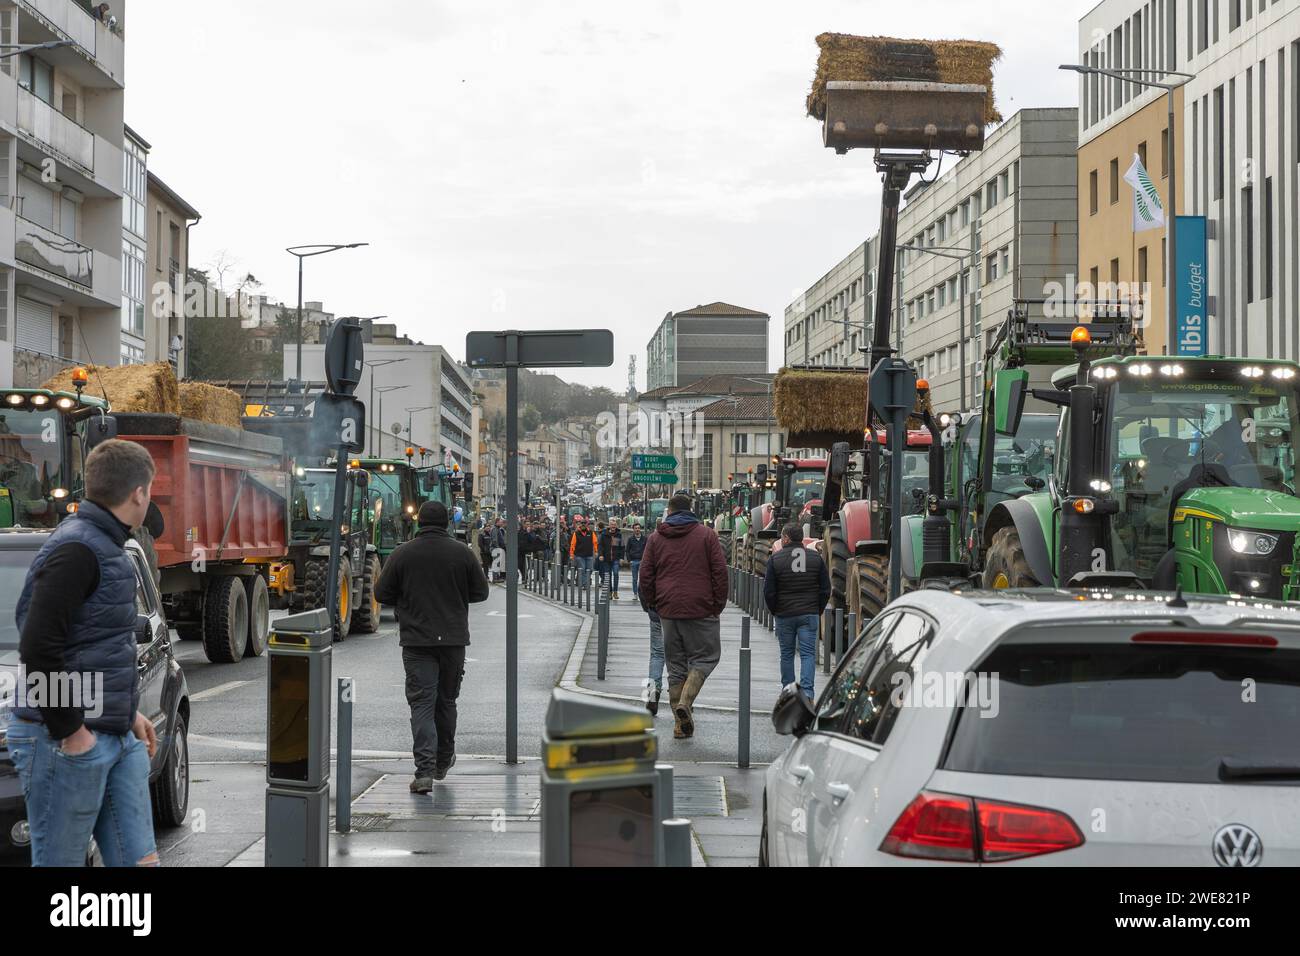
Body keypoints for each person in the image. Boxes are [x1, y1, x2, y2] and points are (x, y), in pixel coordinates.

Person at [6, 439, 160, 866]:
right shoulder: (77, 549)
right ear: (138, 494)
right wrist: (71, 730)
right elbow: (38, 646)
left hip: (112, 733)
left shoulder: (107, 545)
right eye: (150, 491)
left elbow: (91, 645)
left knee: (141, 862)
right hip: (59, 739)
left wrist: (123, 713)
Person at [376, 500, 490, 793]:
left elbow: (381, 592)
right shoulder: (462, 553)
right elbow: (481, 592)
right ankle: (442, 761)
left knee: (422, 704)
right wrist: (456, 596)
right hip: (453, 640)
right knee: (447, 701)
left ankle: (424, 771)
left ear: (419, 522)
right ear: (446, 523)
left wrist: (406, 599)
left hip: (417, 641)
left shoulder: (402, 553)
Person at [637, 494, 728, 739]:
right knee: (706, 657)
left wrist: (652, 604)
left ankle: (679, 725)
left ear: (669, 511)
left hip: (667, 610)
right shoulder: (707, 535)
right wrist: (717, 605)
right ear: (691, 509)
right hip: (700, 608)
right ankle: (685, 704)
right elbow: (720, 572)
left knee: (675, 666)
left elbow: (645, 575)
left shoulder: (656, 538)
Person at [763, 523, 830, 701]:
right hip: (809, 613)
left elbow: (769, 591)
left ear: (786, 538)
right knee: (808, 654)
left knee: (787, 654)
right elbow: (825, 589)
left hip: (785, 614)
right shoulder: (816, 558)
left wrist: (775, 610)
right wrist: (817, 609)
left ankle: (788, 693)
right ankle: (808, 693)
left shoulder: (775, 560)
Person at [644, 607, 664, 715]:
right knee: (682, 657)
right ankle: (684, 698)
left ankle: (653, 690)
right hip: (686, 613)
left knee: (657, 655)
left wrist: (649, 606)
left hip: (657, 610)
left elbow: (644, 590)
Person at [569, 515, 597, 587]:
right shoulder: (576, 533)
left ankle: (585, 582)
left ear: (586, 524)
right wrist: (572, 555)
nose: (583, 524)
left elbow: (595, 542)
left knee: (590, 569)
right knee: (583, 569)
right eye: (582, 523)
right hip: (579, 555)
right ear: (580, 525)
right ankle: (585, 584)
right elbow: (573, 544)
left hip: (589, 555)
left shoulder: (591, 532)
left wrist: (596, 551)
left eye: (584, 523)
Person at [597, 520, 620, 599]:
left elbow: (622, 547)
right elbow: (600, 546)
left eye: (614, 525)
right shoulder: (604, 535)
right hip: (606, 559)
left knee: (616, 574)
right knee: (608, 575)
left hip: (615, 558)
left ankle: (615, 592)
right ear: (609, 526)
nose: (613, 526)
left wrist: (621, 557)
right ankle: (610, 592)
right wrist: (600, 555)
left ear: (616, 526)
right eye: (612, 525)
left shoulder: (618, 535)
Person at [626, 523, 646, 598]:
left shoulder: (645, 539)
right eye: (636, 528)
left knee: (642, 579)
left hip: (642, 561)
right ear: (633, 530)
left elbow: (647, 550)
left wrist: (645, 560)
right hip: (633, 561)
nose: (637, 529)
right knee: (634, 579)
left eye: (638, 528)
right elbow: (627, 550)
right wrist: (629, 560)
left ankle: (642, 593)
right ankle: (635, 594)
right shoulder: (630, 539)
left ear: (640, 529)